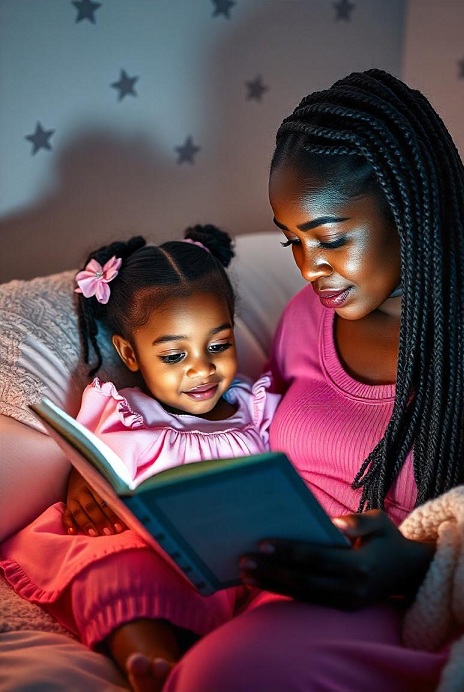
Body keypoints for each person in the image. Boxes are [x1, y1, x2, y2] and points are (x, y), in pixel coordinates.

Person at [157, 70, 464, 690]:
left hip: (398, 601)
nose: (311, 269)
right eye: (292, 245)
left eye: (330, 239)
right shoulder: (305, 319)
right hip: (279, 574)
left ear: (410, 208)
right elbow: (254, 427)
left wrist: (412, 566)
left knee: (224, 674)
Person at [0, 224, 280, 692]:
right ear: (130, 354)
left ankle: (211, 653)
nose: (201, 368)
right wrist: (81, 482)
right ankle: (147, 659)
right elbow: (88, 460)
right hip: (139, 545)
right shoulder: (124, 412)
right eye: (173, 355)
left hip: (224, 557)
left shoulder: (258, 409)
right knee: (116, 567)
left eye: (218, 345)